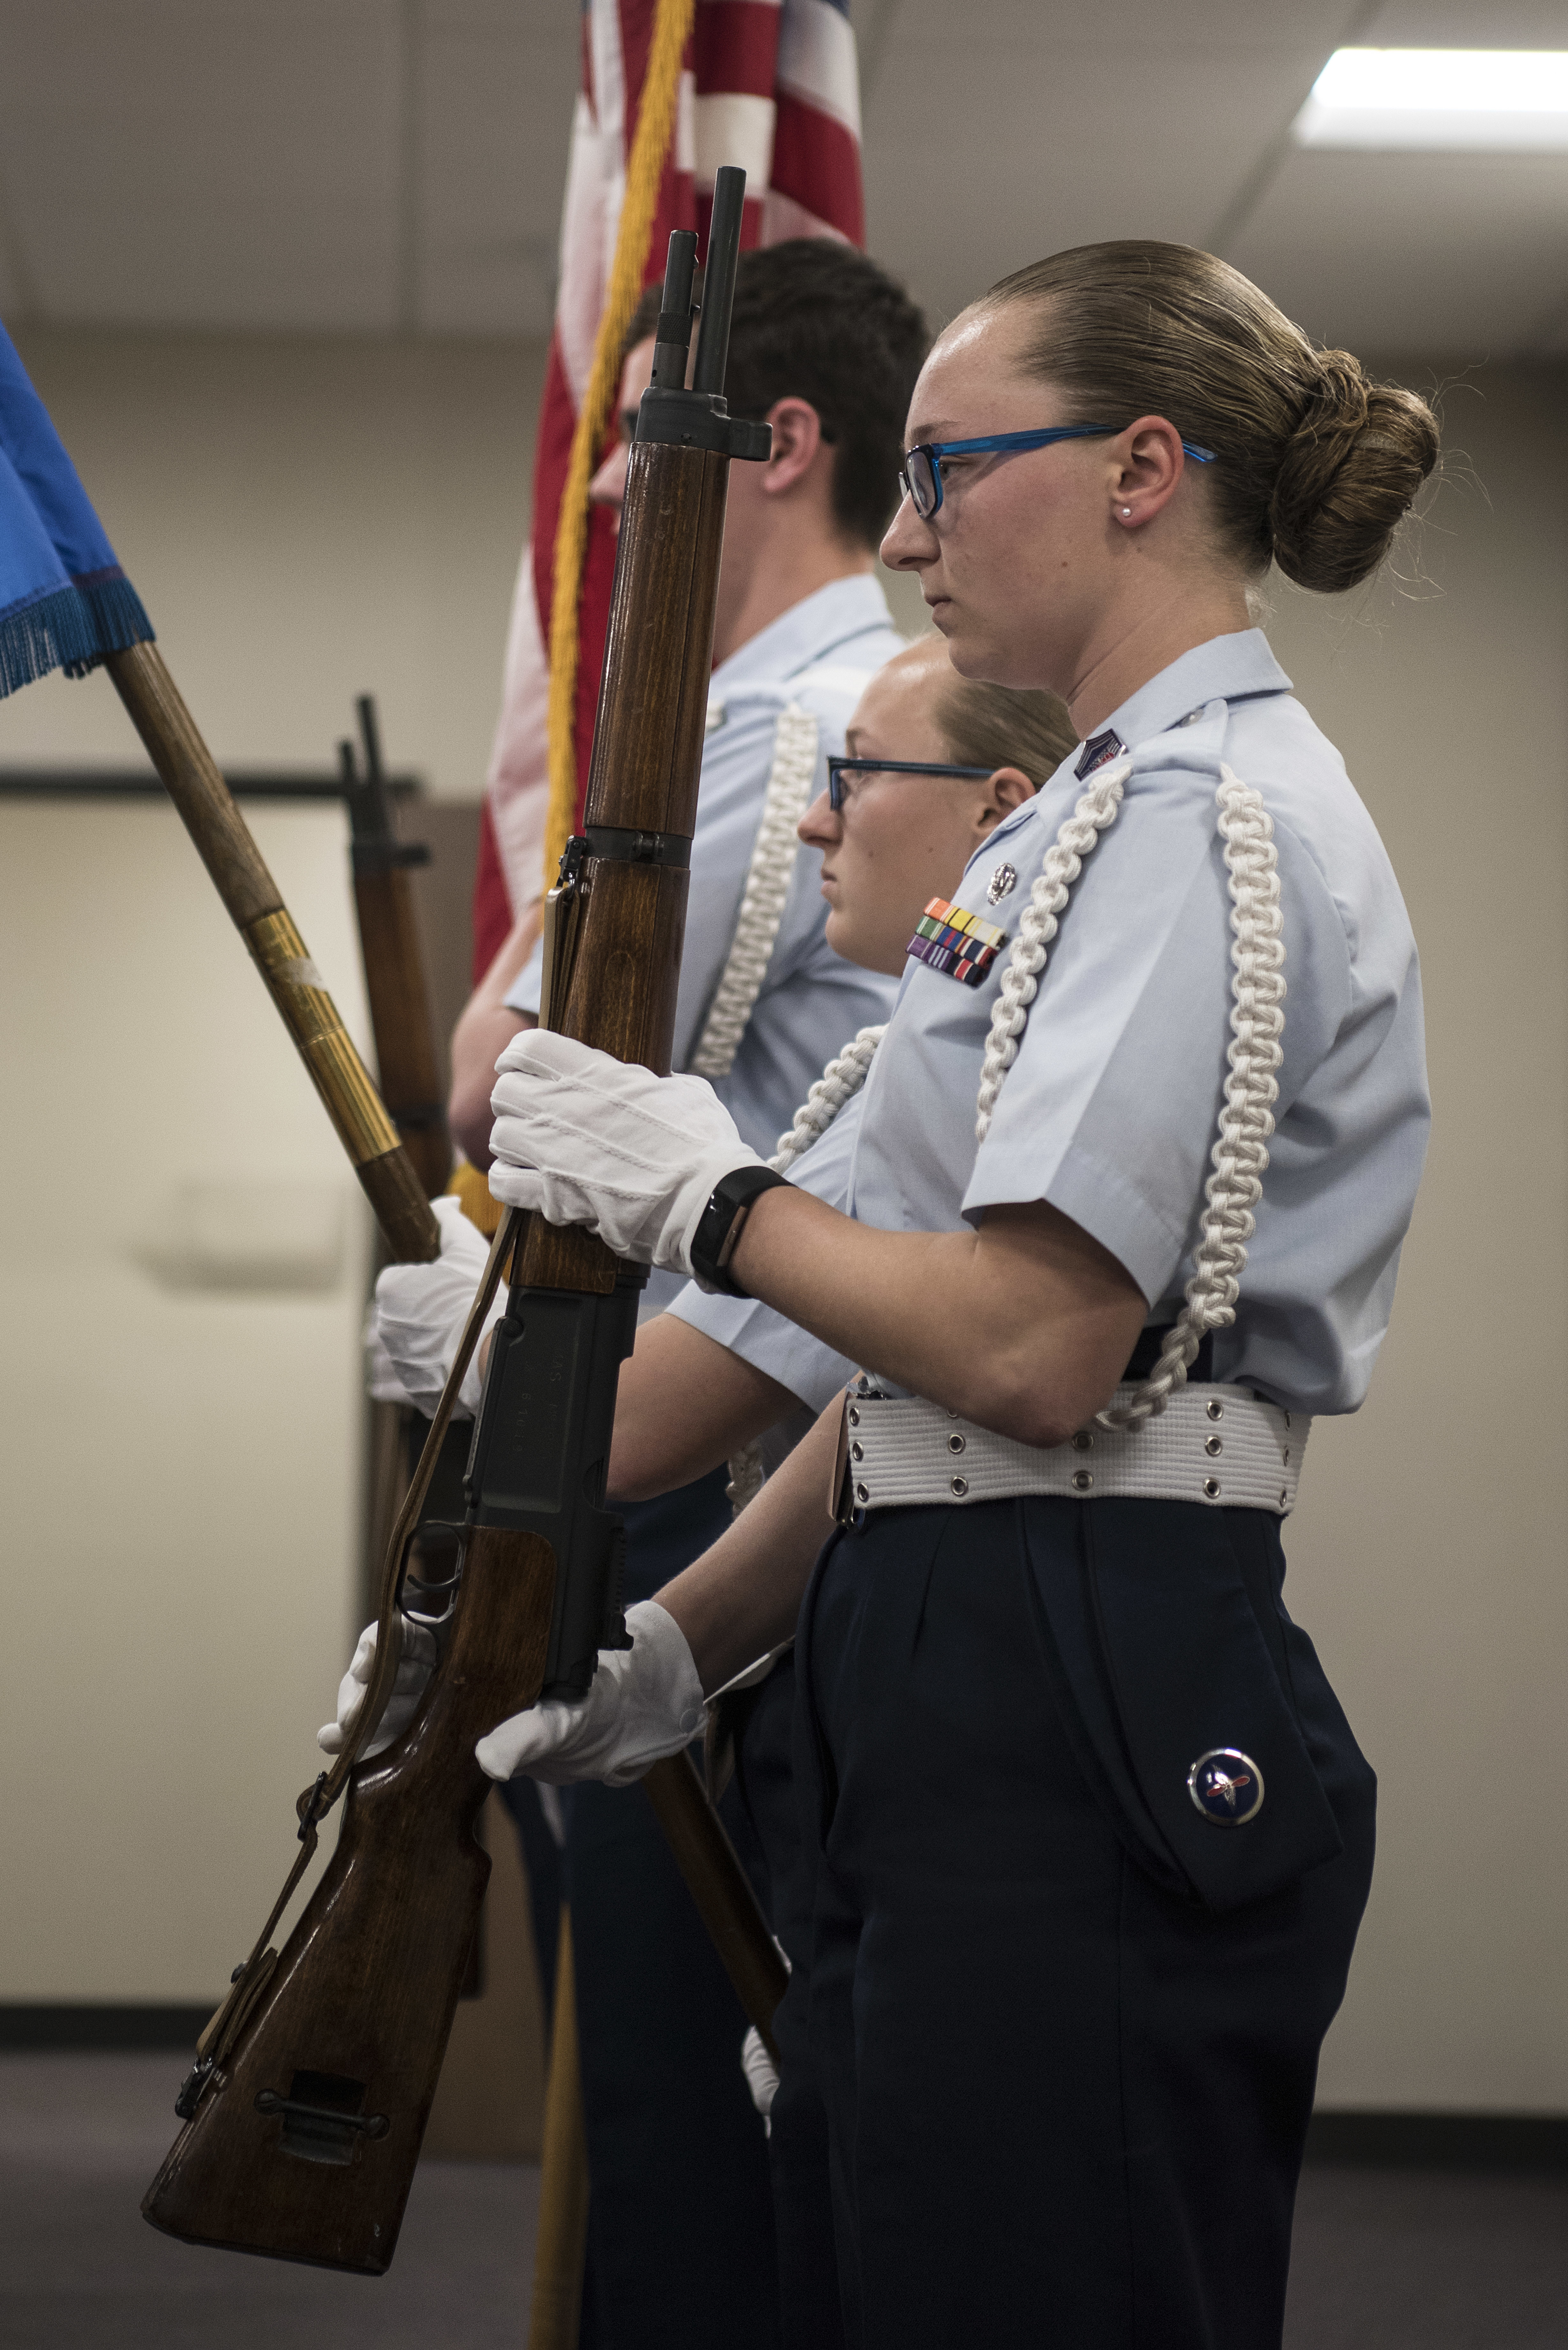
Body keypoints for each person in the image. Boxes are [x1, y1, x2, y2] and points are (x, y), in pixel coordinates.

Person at [441, 239, 1440, 2348]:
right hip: (950, 1642)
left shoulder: (1203, 817)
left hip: (1079, 1661)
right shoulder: (1075, 821)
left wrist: (711, 1202)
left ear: (1141, 469)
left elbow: (1032, 1349)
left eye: (951, 472)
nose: (903, 540)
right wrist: (684, 1650)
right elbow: (912, 1400)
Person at [384, 239, 929, 2350]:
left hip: (723, 1480)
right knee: (675, 2102)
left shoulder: (782, 725)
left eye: (640, 463)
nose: (604, 513)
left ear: (772, 447)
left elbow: (491, 1075)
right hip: (734, 1447)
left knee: (685, 2130)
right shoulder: (839, 722)